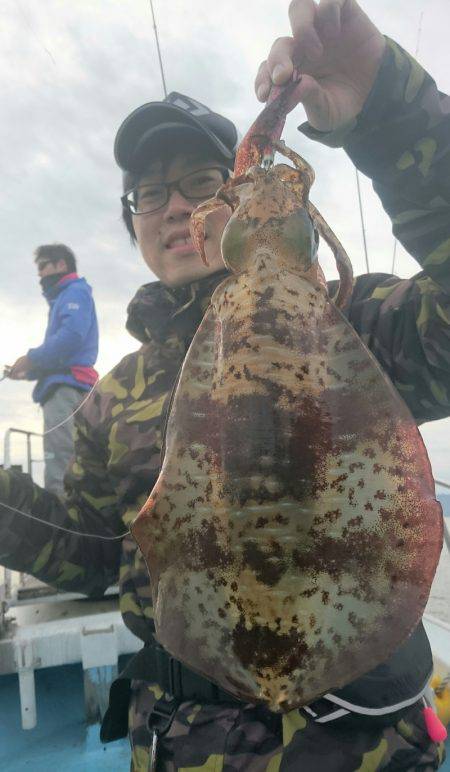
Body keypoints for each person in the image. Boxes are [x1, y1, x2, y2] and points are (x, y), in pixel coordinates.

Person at [0, 0, 449, 768]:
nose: (174, 205)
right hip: (186, 743)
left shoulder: (353, 319)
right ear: (131, 222)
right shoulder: (117, 396)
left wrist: (387, 109)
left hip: (361, 743)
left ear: (237, 200)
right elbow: (99, 553)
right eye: (149, 193)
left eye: (200, 179)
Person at [8, 244, 99, 496]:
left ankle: (62, 529)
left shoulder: (73, 292)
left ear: (61, 265)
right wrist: (30, 371)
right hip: (75, 386)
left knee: (60, 462)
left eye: (42, 266)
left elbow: (71, 337)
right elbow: (65, 353)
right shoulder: (68, 295)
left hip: (67, 390)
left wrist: (31, 358)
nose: (39, 275)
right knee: (79, 461)